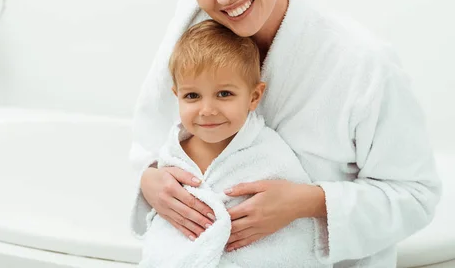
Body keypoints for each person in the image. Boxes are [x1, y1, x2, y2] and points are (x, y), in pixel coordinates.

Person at [129, 0, 442, 266]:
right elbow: (152, 140)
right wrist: (150, 181)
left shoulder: (361, 63)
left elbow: (417, 196)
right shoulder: (195, 44)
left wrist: (309, 203)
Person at [139, 19, 329, 267]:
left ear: (253, 96)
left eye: (224, 94)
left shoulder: (269, 154)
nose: (207, 110)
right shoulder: (172, 153)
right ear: (178, 96)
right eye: (192, 95)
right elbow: (164, 225)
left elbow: (299, 231)